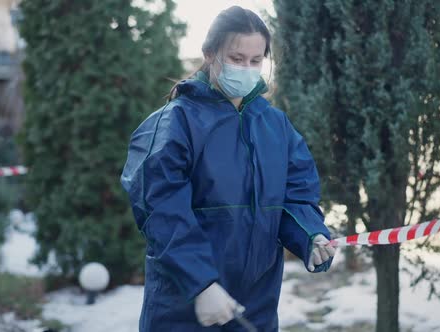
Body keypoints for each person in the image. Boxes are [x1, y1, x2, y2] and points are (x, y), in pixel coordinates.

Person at [120, 6, 335, 331]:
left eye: (256, 60)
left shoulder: (275, 125)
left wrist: (310, 236)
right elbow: (161, 211)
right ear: (210, 54)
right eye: (237, 58)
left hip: (256, 308)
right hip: (184, 308)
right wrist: (201, 284)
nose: (247, 69)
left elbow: (296, 196)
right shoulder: (174, 123)